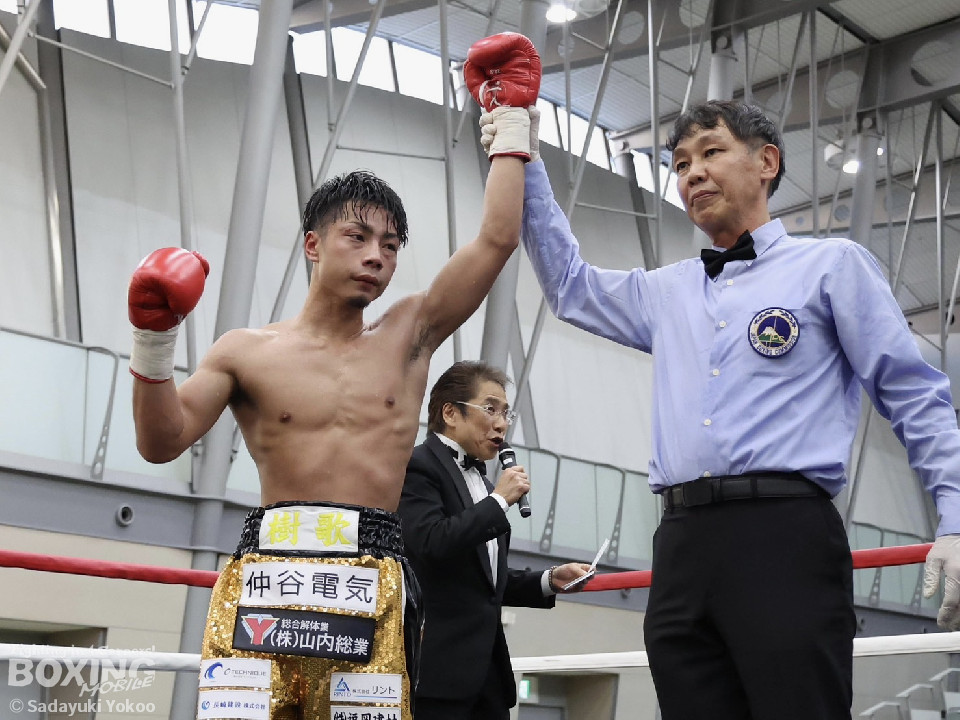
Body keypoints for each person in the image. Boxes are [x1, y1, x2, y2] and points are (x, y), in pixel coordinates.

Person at [488, 97, 960, 719]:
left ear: (767, 162)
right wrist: (523, 155)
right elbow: (571, 287)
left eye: (711, 152)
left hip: (784, 533)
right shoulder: (668, 289)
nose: (693, 173)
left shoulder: (832, 266)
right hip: (680, 542)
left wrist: (955, 519)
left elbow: (914, 393)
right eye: (681, 164)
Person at [128, 32, 542, 720]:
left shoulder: (409, 337)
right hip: (269, 576)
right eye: (358, 237)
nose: (377, 255)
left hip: (371, 577)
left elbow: (497, 240)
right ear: (313, 244)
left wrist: (510, 120)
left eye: (391, 245)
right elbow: (160, 441)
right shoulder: (245, 350)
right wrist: (153, 338)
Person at [398, 360, 592, 720]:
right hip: (437, 675)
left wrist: (549, 580)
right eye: (490, 409)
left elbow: (485, 581)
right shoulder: (417, 465)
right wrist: (499, 501)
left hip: (488, 678)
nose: (501, 423)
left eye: (506, 412)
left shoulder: (485, 485)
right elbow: (430, 542)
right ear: (450, 413)